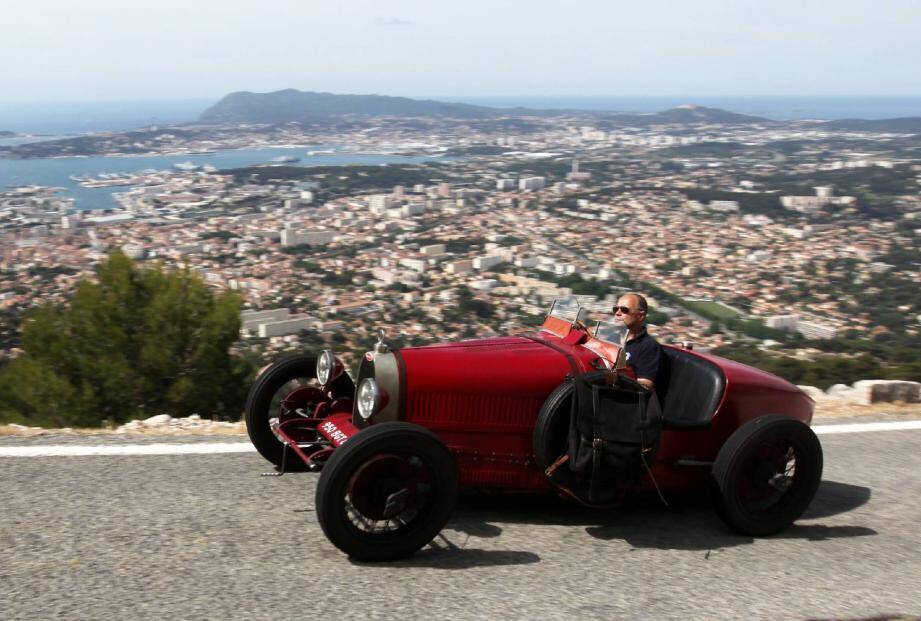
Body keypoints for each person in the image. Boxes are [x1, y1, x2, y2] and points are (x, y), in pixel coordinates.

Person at [613, 293, 662, 390]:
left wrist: (612, 378)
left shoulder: (649, 347)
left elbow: (644, 386)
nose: (617, 313)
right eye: (615, 309)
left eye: (624, 310)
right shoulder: (611, 338)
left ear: (640, 316)